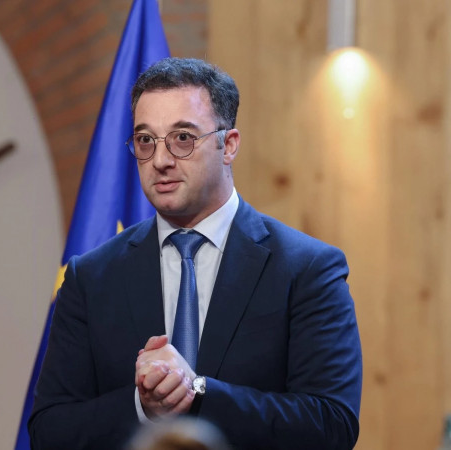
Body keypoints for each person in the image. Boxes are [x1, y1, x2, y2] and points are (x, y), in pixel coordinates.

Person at [28, 58, 362, 450]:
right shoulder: (90, 277)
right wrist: (142, 405)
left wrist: (197, 390)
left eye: (183, 138)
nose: (161, 160)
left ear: (228, 145)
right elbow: (49, 431)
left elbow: (331, 425)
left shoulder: (306, 268)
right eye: (145, 140)